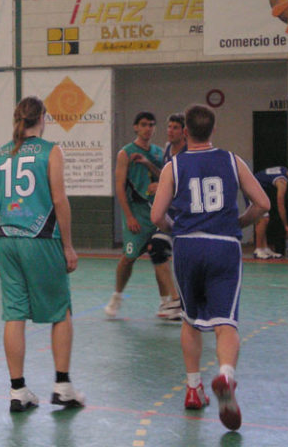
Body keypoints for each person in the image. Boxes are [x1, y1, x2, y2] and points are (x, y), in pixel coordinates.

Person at [150, 104, 270, 431]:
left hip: (188, 246)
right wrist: (239, 221)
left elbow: (156, 216)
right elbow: (263, 204)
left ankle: (193, 388)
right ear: (213, 130)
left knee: (190, 320)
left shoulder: (173, 166)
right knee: (225, 322)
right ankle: (226, 376)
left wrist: (178, 229)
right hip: (224, 245)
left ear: (185, 131)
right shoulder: (233, 161)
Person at [0, 96, 85, 413]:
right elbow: (60, 200)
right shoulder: (50, 151)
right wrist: (67, 244)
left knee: (14, 314)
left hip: (6, 239)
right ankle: (63, 385)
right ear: (43, 118)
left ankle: (17, 390)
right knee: (60, 310)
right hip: (40, 238)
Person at [104, 111, 179, 320]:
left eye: (152, 125)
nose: (148, 129)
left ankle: (166, 302)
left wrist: (148, 163)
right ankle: (117, 295)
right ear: (136, 127)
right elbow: (119, 187)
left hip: (156, 211)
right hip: (137, 212)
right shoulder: (125, 153)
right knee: (129, 258)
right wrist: (128, 216)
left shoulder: (158, 151)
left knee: (159, 254)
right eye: (144, 125)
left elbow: (164, 176)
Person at [252, 163, 288, 260]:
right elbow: (280, 205)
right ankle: (258, 249)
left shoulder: (284, 170)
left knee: (265, 218)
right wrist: (286, 226)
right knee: (263, 219)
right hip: (251, 189)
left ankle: (264, 248)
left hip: (258, 189)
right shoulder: (282, 182)